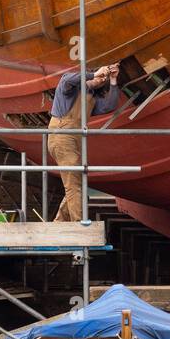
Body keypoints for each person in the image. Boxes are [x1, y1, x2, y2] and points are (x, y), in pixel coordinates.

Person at [45, 64, 120, 221]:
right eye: (100, 75)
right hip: (62, 136)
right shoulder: (69, 90)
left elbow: (110, 105)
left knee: (76, 184)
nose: (101, 79)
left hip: (75, 140)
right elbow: (66, 78)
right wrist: (94, 75)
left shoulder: (92, 98)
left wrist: (113, 80)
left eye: (103, 79)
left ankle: (60, 224)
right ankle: (79, 224)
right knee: (74, 185)